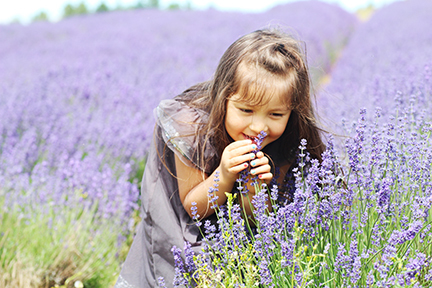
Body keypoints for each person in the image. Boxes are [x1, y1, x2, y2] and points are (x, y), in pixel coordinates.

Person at [115, 27, 325, 288]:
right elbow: (194, 206)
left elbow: (259, 221)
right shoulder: (189, 126)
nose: (259, 127)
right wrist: (224, 175)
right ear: (223, 98)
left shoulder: (286, 142)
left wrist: (254, 191)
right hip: (178, 230)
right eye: (246, 110)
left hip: (237, 252)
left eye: (275, 115)